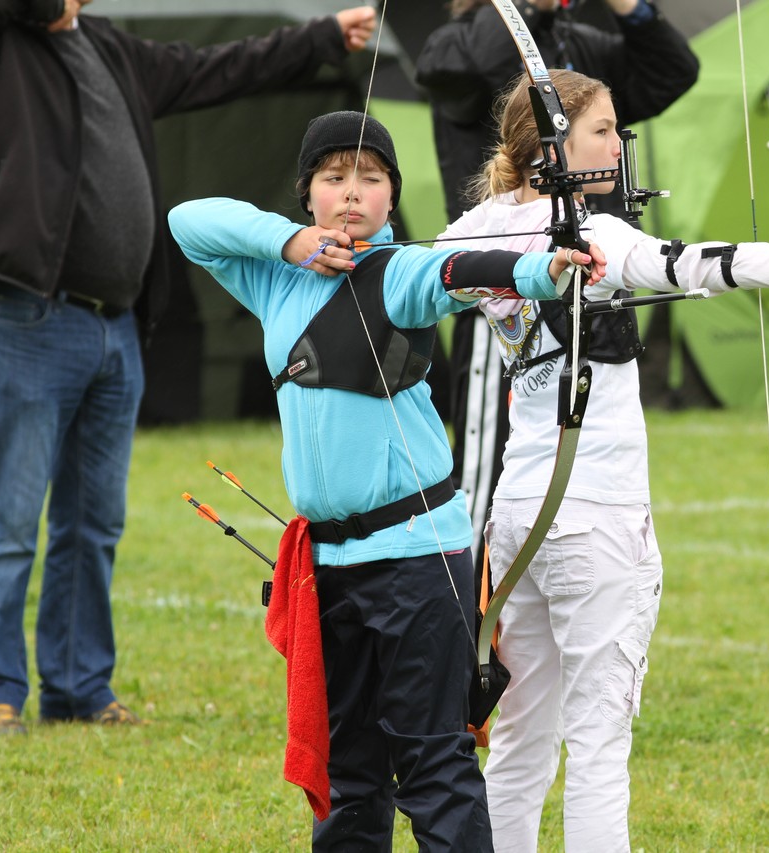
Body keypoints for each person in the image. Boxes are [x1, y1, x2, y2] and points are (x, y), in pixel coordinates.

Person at [446, 69, 769, 851]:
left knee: (523, 735)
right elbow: (686, 261)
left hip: (518, 519)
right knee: (598, 742)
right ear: (554, 140)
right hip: (595, 515)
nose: (616, 142)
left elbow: (423, 272)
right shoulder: (593, 235)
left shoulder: (475, 227)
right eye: (602, 128)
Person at [169, 110, 606, 850]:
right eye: (333, 178)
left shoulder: (398, 270)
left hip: (414, 560)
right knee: (348, 774)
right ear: (306, 193)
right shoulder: (278, 278)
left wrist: (543, 268)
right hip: (328, 569)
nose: (351, 194)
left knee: (433, 761)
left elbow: (457, 272)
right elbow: (189, 220)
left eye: (370, 179)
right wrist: (293, 243)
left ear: (392, 197)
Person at [0, 0, 379, 737]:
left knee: (94, 522)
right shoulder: (10, 43)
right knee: (10, 521)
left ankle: (78, 686)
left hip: (116, 324)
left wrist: (321, 38)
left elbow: (219, 69)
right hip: (29, 320)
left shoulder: (110, 48)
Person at [415, 0, 700, 567]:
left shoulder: (582, 43)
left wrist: (628, 7)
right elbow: (469, 72)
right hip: (496, 289)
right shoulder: (454, 43)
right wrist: (520, 8)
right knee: (483, 466)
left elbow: (674, 71)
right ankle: (465, 618)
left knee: (580, 464)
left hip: (585, 278)